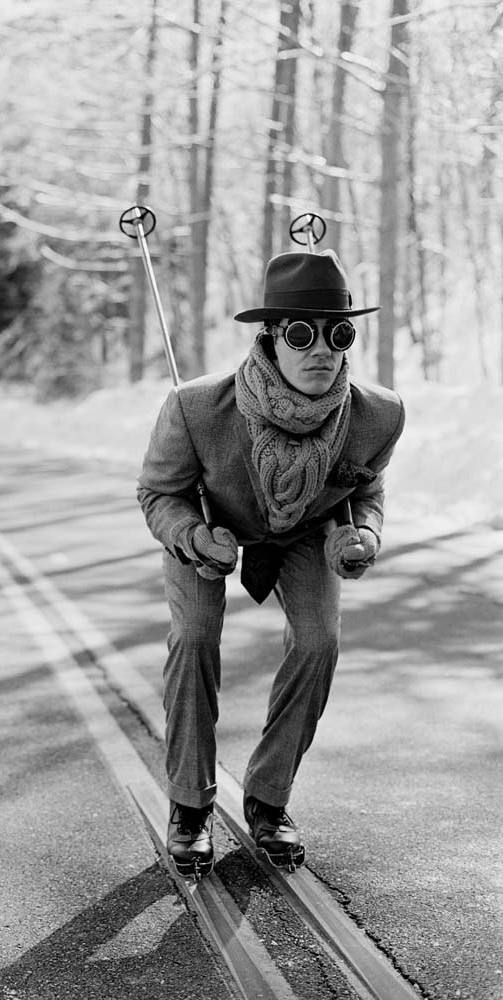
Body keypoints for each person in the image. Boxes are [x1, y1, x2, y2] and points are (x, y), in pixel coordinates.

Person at [137, 248, 405, 878]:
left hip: (308, 533)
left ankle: (268, 797)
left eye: (338, 334)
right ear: (270, 339)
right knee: (197, 635)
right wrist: (192, 536)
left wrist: (362, 534)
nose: (323, 351)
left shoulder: (379, 414)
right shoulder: (195, 408)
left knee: (318, 642)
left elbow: (366, 491)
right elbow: (158, 494)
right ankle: (188, 805)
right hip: (210, 527)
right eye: (302, 334)